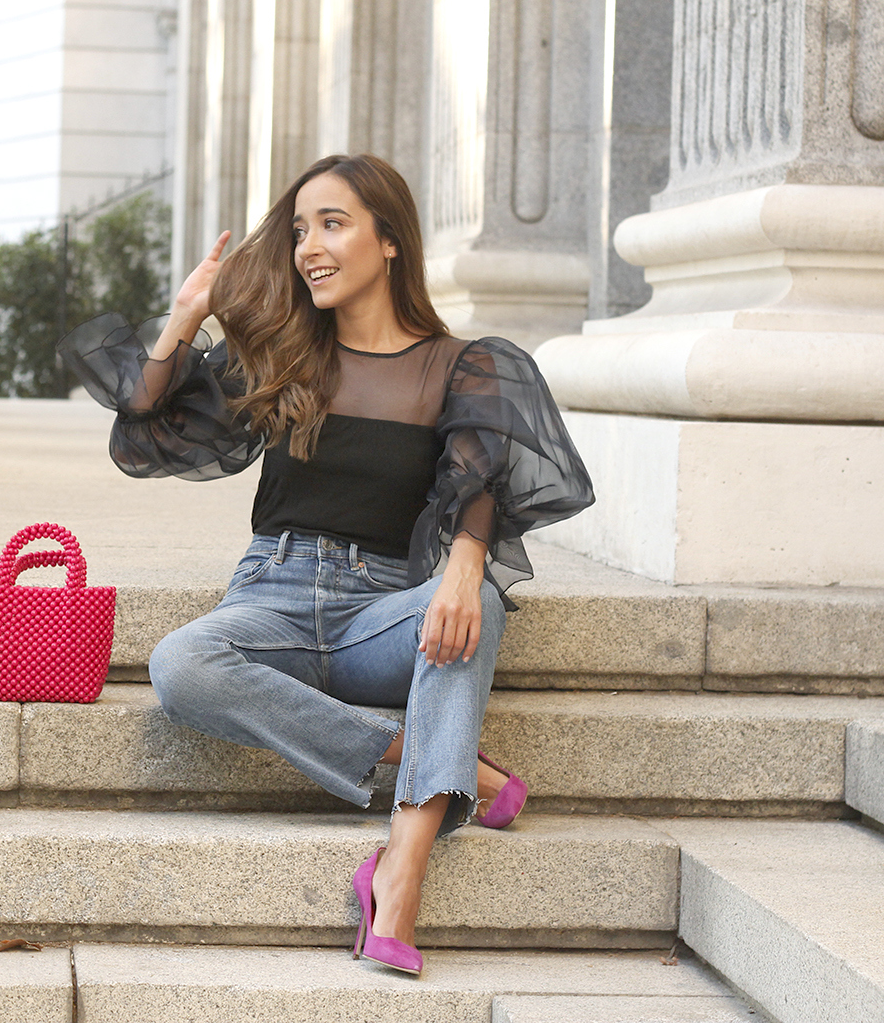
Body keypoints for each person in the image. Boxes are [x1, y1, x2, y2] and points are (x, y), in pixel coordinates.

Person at [60, 154, 593, 976]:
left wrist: (462, 567)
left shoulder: (461, 365)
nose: (309, 244)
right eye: (302, 227)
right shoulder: (283, 357)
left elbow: (478, 484)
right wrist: (184, 316)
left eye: (333, 224)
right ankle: (443, 762)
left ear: (389, 241)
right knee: (180, 663)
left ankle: (400, 871)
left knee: (471, 600)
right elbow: (141, 431)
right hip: (270, 594)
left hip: (381, 609)